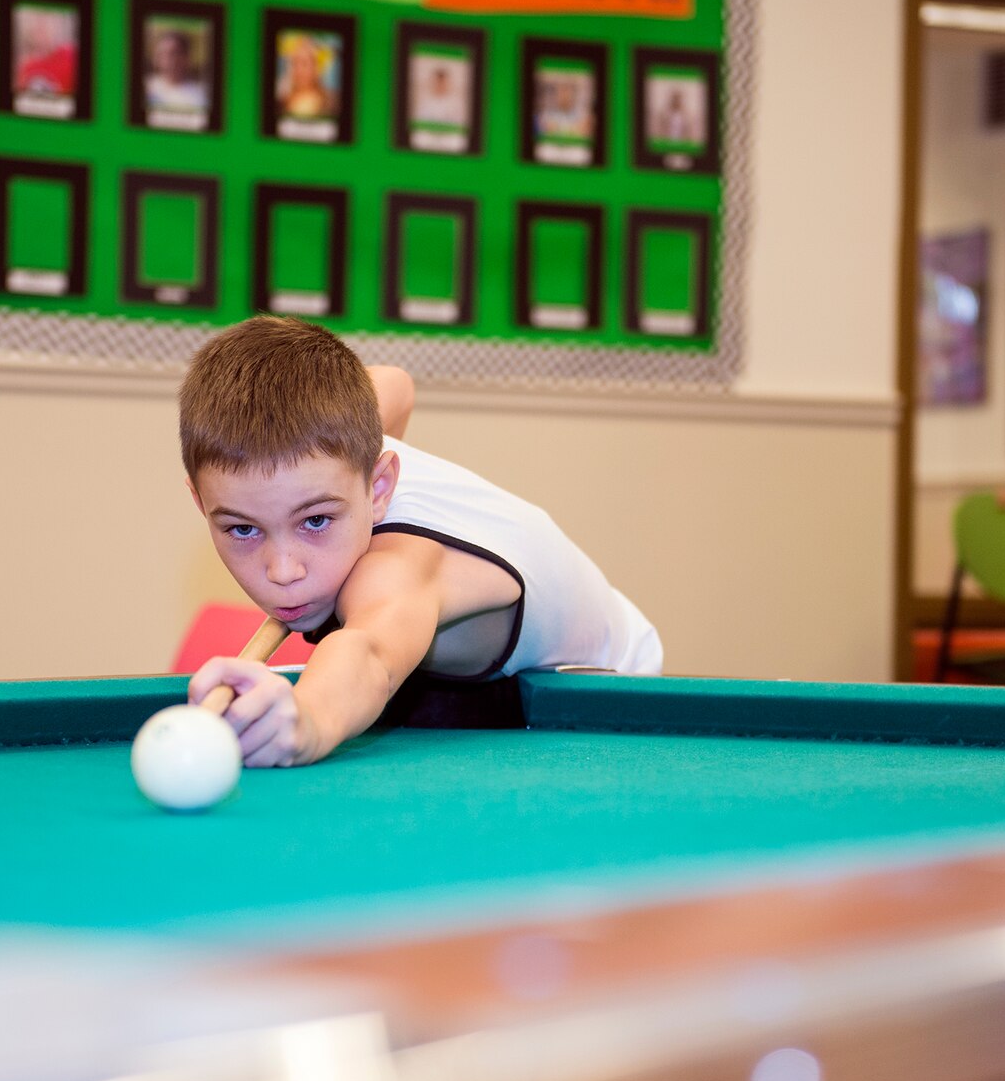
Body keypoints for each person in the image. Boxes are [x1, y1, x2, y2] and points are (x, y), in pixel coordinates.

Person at [180, 317, 662, 767]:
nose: (283, 571)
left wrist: (306, 717)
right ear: (201, 503)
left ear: (380, 487)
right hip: (478, 687)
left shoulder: (396, 571)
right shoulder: (340, 449)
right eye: (243, 529)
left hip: (609, 683)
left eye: (316, 520)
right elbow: (394, 384)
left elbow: (369, 653)